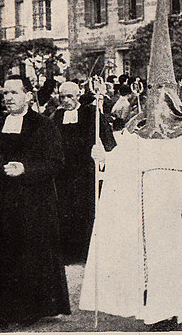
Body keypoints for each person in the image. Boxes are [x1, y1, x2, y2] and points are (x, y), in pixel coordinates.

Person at [80, 0, 182, 331]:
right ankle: (160, 313)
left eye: (162, 92)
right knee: (156, 263)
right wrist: (102, 156)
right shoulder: (137, 128)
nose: (156, 102)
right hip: (149, 207)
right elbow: (122, 162)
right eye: (152, 92)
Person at [0, 75, 70, 327]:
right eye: (5, 93)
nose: (8, 98)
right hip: (1, 202)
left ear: (28, 95)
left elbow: (56, 163)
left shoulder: (44, 126)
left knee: (27, 254)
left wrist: (25, 168)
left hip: (33, 202)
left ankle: (28, 310)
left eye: (14, 92)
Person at [52, 81, 117, 265]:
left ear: (78, 96)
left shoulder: (92, 114)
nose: (66, 100)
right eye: (62, 97)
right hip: (63, 174)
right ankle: (68, 254)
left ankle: (86, 253)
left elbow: (109, 141)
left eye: (69, 96)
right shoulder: (57, 116)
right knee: (64, 212)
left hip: (85, 173)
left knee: (85, 211)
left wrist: (101, 154)